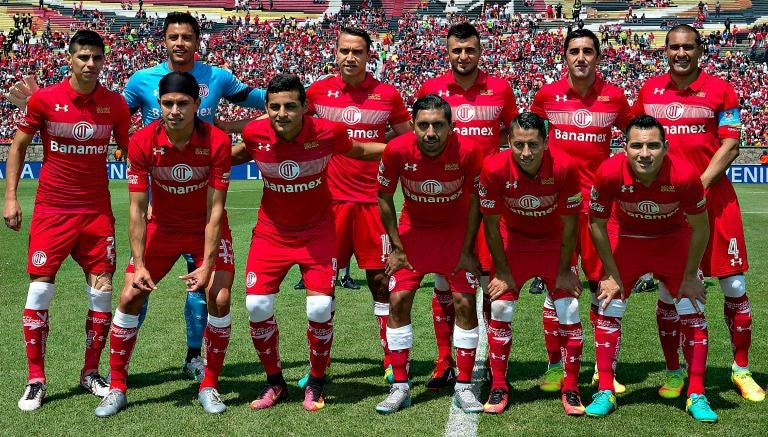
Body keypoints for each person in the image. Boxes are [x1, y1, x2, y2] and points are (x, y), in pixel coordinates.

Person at [5, 12, 267, 385]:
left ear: (197, 41)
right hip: (157, 202)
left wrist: (244, 124)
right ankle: (117, 368)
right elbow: (104, 113)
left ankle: (195, 357)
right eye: (173, 36)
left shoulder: (219, 78)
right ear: (164, 40)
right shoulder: (141, 80)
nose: (180, 43)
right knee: (134, 290)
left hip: (201, 202)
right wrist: (40, 105)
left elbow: (265, 103)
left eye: (187, 36)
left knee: (201, 292)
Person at [231, 74, 386, 412]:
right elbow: (235, 155)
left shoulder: (327, 132)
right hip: (271, 235)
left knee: (318, 308)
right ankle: (275, 381)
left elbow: (359, 149)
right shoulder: (255, 133)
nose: (281, 113)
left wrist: (403, 147)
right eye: (274, 107)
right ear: (266, 109)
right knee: (256, 307)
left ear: (304, 108)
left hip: (318, 234)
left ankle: (315, 381)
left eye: (290, 106)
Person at [633, 24, 765, 403]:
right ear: (666, 51)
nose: (680, 53)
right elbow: (638, 140)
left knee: (733, 286)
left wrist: (699, 186)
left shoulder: (721, 90)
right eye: (674, 47)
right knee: (667, 289)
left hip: (715, 203)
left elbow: (732, 144)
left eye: (688, 47)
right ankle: (675, 372)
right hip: (669, 209)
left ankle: (740, 369)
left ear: (699, 50)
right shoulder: (649, 91)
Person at [3, 30, 130, 411]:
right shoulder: (45, 100)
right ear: (70, 59)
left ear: (103, 61)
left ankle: (90, 372)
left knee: (102, 291)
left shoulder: (115, 105)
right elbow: (19, 146)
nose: (90, 64)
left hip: (96, 214)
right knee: (40, 290)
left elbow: (129, 149)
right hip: (52, 212)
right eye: (83, 57)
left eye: (96, 58)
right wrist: (10, 197)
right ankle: (36, 378)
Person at [94, 71, 234, 417]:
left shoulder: (216, 141)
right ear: (159, 105)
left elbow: (216, 210)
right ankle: (117, 386)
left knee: (219, 297)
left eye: (182, 103)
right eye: (168, 103)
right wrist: (139, 264)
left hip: (204, 229)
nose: (174, 110)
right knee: (129, 295)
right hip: (164, 228)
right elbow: (138, 208)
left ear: (197, 105)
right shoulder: (142, 141)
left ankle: (210, 384)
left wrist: (206, 265)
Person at [294, 27, 412, 388]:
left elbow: (407, 136)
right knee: (322, 285)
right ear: (336, 53)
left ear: (368, 55)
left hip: (373, 203)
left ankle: (391, 361)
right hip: (327, 205)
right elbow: (294, 127)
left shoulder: (386, 95)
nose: (350, 57)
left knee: (380, 281)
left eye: (357, 51)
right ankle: (319, 366)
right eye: (344, 50)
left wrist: (380, 149)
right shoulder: (316, 92)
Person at [585, 115, 717, 422]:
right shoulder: (607, 173)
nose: (645, 153)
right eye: (637, 146)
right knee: (609, 305)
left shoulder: (685, 175)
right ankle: (605, 389)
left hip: (673, 240)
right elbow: (597, 224)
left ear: (666, 147)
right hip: (627, 238)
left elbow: (700, 228)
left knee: (692, 307)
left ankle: (697, 392)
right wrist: (611, 272)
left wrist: (689, 276)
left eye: (653, 146)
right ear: (625, 147)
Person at [530, 28, 633, 395]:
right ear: (564, 56)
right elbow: (531, 142)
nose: (581, 57)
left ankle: (604, 369)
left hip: (599, 211)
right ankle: (555, 365)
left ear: (599, 56)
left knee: (602, 288)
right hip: (556, 208)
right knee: (556, 287)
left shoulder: (615, 97)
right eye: (574, 51)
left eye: (588, 51)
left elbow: (635, 139)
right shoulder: (546, 96)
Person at [416, 22, 518, 390]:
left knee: (491, 282)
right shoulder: (431, 89)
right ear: (447, 52)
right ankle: (444, 360)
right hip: (445, 204)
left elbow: (515, 135)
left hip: (490, 203)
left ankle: (493, 360)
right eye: (456, 50)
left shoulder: (501, 89)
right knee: (444, 284)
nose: (463, 56)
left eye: (470, 50)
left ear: (480, 51)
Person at [375, 94, 484, 414]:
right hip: (414, 232)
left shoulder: (469, 152)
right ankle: (399, 385)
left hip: (455, 233)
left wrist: (467, 249)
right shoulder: (396, 150)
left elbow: (478, 201)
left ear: (451, 126)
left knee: (464, 302)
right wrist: (396, 246)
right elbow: (383, 196)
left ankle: (464, 385)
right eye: (423, 125)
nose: (431, 132)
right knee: (397, 299)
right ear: (412, 126)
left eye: (438, 125)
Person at [479, 112, 584, 415]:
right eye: (519, 144)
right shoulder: (493, 168)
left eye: (534, 145)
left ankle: (572, 387)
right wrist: (504, 272)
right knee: (500, 306)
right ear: (509, 141)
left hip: (554, 245)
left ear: (546, 143)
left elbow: (570, 225)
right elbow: (491, 225)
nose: (526, 153)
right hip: (514, 244)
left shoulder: (564, 167)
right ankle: (499, 385)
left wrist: (565, 271)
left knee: (570, 308)